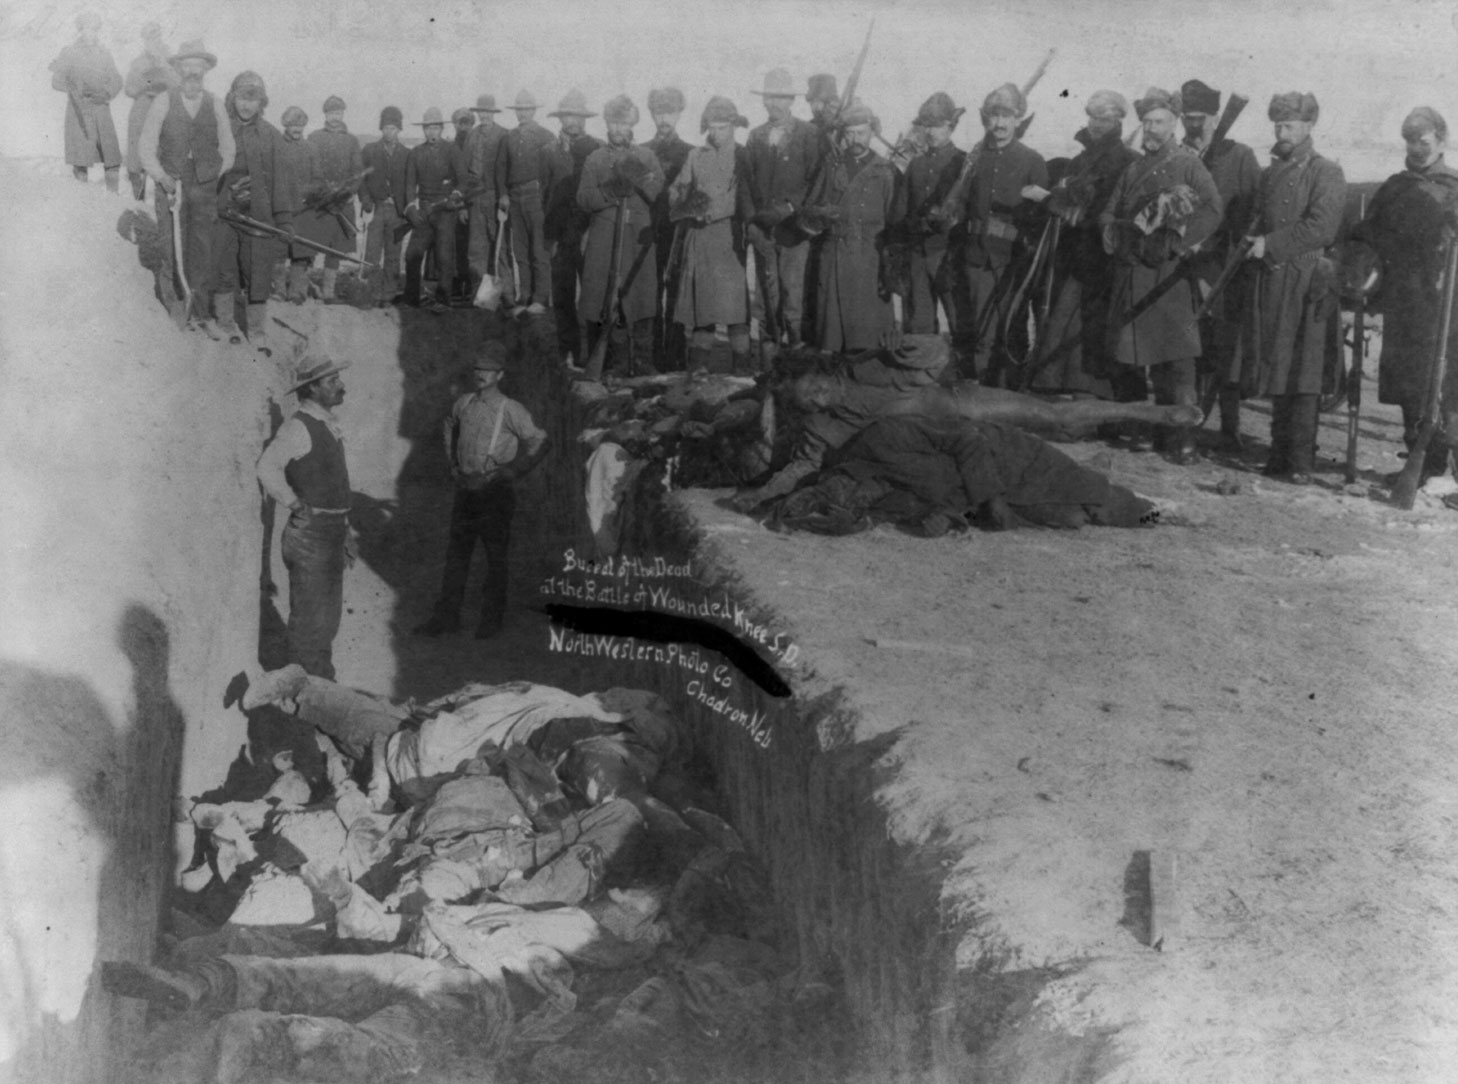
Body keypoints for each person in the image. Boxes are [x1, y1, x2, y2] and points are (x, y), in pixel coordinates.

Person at [729, 334, 1202, 511]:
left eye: (812, 385)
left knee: (1055, 418)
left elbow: (937, 350)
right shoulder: (821, 430)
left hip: (962, 406)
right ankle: (1099, 468)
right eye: (807, 401)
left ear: (818, 370)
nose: (817, 398)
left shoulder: (865, 367)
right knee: (1035, 463)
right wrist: (759, 495)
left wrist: (905, 345)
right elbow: (798, 469)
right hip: (954, 447)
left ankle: (1151, 413)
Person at [1100, 87, 1223, 462]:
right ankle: (1138, 428)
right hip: (1132, 270)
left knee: (1176, 358)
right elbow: (1108, 212)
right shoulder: (1133, 169)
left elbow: (1213, 209)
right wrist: (1116, 231)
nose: (1152, 129)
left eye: (1159, 122)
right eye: (1147, 122)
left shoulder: (1189, 164)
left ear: (1173, 125)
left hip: (1168, 276)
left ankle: (1181, 434)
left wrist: (1179, 239)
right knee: (1131, 354)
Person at [1237, 92, 1346, 483]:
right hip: (1272, 279)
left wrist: (1273, 243)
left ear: (1308, 127)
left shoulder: (1325, 171)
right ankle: (1278, 454)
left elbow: (1322, 227)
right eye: (1277, 125)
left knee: (1305, 369)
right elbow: (1258, 218)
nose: (1281, 132)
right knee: (1279, 366)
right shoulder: (1270, 174)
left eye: (1289, 125)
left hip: (1306, 281)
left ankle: (1300, 460)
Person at [415, 342, 550, 640]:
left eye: (488, 370)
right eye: (477, 368)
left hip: (494, 493)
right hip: (466, 491)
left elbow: (540, 440)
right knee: (456, 557)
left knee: (495, 558)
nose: (481, 374)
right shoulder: (464, 403)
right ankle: (446, 618)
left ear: (499, 375)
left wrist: (515, 470)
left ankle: (491, 620)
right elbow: (449, 425)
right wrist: (453, 463)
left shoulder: (510, 409)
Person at [1356, 107, 1458, 486]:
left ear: (1442, 141)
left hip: (1444, 303)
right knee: (1407, 383)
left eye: (1424, 140)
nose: (1416, 147)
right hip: (1403, 299)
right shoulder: (1395, 186)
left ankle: (1442, 466)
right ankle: (1419, 460)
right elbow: (1368, 231)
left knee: (1442, 383)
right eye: (1410, 140)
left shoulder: (1454, 188)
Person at [1028, 90, 1137, 399]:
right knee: (1064, 321)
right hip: (1073, 255)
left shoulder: (1128, 160)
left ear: (1117, 121)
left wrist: (1068, 209)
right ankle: (1056, 388)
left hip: (1103, 258)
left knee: (1092, 327)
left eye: (1103, 118)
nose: (1096, 125)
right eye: (1092, 117)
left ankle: (1089, 395)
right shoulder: (1079, 160)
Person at [257, 358, 358, 680]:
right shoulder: (298, 426)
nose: (340, 386)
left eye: (338, 379)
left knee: (327, 617)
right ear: (311, 388)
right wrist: (293, 502)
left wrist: (343, 526)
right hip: (311, 534)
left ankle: (321, 681)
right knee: (310, 618)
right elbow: (266, 467)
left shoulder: (326, 422)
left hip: (331, 530)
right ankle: (303, 688)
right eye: (332, 381)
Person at [1180, 79, 1261, 450]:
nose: (1193, 125)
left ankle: (1229, 428)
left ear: (1215, 117)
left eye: (1200, 118)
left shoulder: (1239, 155)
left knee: (1225, 348)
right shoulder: (1179, 154)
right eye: (1187, 117)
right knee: (1188, 345)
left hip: (1224, 265)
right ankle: (1186, 420)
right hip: (1183, 264)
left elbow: (1251, 212)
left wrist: (1221, 246)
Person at [952, 82, 1050, 385]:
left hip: (1012, 261)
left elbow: (1042, 219)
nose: (1000, 124)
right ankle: (979, 393)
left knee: (1011, 328)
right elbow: (961, 204)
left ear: (1019, 120)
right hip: (976, 257)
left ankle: (1010, 394)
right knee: (978, 329)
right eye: (993, 116)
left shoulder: (1032, 160)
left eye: (1007, 117)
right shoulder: (976, 157)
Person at [136, 38, 234, 333]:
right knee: (170, 245)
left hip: (203, 186)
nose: (193, 72)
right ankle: (174, 306)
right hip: (171, 184)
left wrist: (213, 174)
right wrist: (162, 177)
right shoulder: (164, 101)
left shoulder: (215, 103)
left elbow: (229, 149)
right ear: (178, 69)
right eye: (187, 66)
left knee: (201, 249)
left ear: (205, 70)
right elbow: (145, 146)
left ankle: (200, 312)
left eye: (198, 67)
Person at [807, 99, 906, 353]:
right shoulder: (831, 165)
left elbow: (896, 223)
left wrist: (890, 267)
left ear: (872, 131)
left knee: (867, 332)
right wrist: (820, 214)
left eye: (860, 133)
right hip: (834, 257)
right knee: (831, 332)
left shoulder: (886, 171)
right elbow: (811, 207)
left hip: (870, 261)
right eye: (848, 134)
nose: (854, 139)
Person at [666, 96, 755, 374]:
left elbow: (743, 196)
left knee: (735, 311)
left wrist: (713, 211)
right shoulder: (696, 156)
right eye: (712, 128)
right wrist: (680, 201)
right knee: (702, 309)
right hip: (699, 239)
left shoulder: (742, 156)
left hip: (728, 239)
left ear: (733, 127)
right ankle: (699, 371)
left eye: (723, 128)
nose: (716, 134)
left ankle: (742, 372)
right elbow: (677, 188)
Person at [577, 96, 665, 375]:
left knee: (641, 299)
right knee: (606, 299)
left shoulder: (646, 156)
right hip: (605, 240)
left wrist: (637, 174)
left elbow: (656, 193)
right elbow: (583, 199)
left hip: (637, 241)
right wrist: (612, 190)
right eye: (613, 122)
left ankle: (642, 363)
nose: (617, 128)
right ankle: (615, 364)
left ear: (632, 125)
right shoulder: (596, 158)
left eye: (623, 123)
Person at [746, 69, 820, 361]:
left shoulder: (809, 135)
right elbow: (747, 185)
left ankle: (798, 360)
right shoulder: (755, 136)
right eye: (769, 98)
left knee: (793, 296)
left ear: (790, 100)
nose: (773, 104)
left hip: (794, 232)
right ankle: (768, 364)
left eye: (780, 98)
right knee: (766, 296)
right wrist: (753, 223)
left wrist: (791, 208)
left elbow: (815, 181)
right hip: (764, 232)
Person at [214, 70, 290, 350]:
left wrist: (284, 219)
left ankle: (256, 330)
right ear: (232, 99)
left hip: (258, 215)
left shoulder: (271, 136)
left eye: (253, 99)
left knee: (257, 271)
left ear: (261, 103)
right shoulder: (220, 129)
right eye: (241, 99)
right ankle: (224, 322)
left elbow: (280, 182)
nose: (246, 105)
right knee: (223, 268)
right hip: (223, 212)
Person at [900, 92, 966, 338]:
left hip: (949, 255)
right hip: (918, 254)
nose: (930, 132)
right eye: (926, 126)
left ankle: (964, 372)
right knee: (919, 321)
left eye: (937, 126)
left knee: (958, 317)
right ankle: (922, 370)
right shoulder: (916, 165)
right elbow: (902, 211)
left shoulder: (964, 163)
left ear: (951, 126)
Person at [544, 90, 603, 362]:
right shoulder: (548, 151)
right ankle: (567, 348)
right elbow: (546, 194)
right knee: (562, 294)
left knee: (592, 295)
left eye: (577, 116)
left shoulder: (599, 149)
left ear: (585, 119)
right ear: (560, 118)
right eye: (568, 116)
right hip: (560, 233)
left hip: (589, 233)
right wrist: (550, 235)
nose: (572, 121)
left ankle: (593, 353)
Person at [496, 90, 555, 316]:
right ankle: (525, 295)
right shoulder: (508, 137)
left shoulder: (546, 136)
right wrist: (503, 193)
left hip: (536, 197)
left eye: (527, 109)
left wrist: (544, 195)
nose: (523, 113)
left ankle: (541, 298)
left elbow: (552, 169)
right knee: (520, 251)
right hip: (514, 198)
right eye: (519, 109)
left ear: (534, 110)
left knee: (539, 250)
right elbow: (501, 167)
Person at [645, 87, 693, 368]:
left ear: (679, 115)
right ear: (651, 114)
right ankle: (651, 356)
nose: (664, 118)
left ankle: (675, 359)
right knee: (650, 294)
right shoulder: (642, 151)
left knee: (676, 294)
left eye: (670, 112)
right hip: (648, 234)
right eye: (659, 112)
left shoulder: (690, 153)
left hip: (677, 234)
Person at [50, 11, 123, 192]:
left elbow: (116, 79)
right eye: (86, 29)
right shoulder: (69, 53)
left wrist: (107, 92)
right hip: (78, 110)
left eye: (94, 29)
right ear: (80, 30)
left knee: (111, 157)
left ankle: (113, 203)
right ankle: (82, 202)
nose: (90, 33)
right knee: (80, 160)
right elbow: (56, 81)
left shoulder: (104, 54)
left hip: (101, 108)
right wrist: (72, 87)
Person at [300, 95, 363, 304]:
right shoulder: (315, 138)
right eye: (331, 113)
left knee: (335, 248)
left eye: (338, 113)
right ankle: (300, 287)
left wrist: (347, 193)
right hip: (319, 202)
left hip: (341, 203)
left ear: (343, 114)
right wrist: (317, 193)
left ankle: (328, 291)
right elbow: (307, 169)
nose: (335, 117)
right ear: (325, 114)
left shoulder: (352, 140)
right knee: (309, 244)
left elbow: (357, 172)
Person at [403, 107, 465, 313]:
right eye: (428, 128)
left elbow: (463, 180)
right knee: (412, 254)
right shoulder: (416, 153)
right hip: (424, 210)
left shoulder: (452, 150)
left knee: (444, 256)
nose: (432, 132)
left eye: (435, 128)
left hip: (445, 211)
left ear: (441, 128)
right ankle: (411, 298)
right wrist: (411, 207)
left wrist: (455, 196)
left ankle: (443, 299)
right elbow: (410, 184)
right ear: (424, 130)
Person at [361, 106, 409, 307]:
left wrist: (407, 208)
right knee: (372, 252)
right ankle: (372, 293)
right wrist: (365, 199)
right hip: (376, 209)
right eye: (386, 128)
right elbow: (361, 179)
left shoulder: (407, 154)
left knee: (393, 253)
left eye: (394, 128)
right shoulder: (370, 150)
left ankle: (388, 295)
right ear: (381, 129)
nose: (390, 132)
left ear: (399, 130)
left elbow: (411, 182)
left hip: (397, 212)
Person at [122, 21, 175, 201]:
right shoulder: (138, 63)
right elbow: (128, 89)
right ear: (144, 40)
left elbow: (178, 85)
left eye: (156, 36)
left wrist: (164, 78)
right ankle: (139, 202)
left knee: (162, 159)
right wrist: (146, 84)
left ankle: (163, 207)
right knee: (136, 162)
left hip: (163, 111)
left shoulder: (171, 60)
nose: (153, 41)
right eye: (149, 38)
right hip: (142, 110)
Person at [465, 94, 508, 302]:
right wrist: (465, 204)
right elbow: (465, 172)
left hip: (495, 197)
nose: (484, 116)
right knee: (476, 250)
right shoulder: (471, 136)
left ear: (493, 113)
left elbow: (507, 170)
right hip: (475, 198)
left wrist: (504, 198)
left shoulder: (503, 135)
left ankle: (507, 297)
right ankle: (482, 298)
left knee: (500, 248)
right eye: (481, 112)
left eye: (488, 112)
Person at [274, 105, 319, 304]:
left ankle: (297, 291)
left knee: (301, 252)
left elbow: (318, 177)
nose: (297, 130)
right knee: (279, 250)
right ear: (286, 125)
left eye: (300, 125)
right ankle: (279, 290)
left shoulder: (311, 148)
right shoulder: (276, 146)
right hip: (281, 206)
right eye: (293, 125)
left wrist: (308, 194)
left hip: (304, 208)